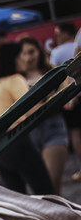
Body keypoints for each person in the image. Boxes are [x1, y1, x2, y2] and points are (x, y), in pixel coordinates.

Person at [0, 42, 55, 195]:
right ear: (14, 58)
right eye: (21, 55)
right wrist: (54, 98)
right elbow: (31, 110)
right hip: (18, 142)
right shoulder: (15, 79)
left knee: (18, 200)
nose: (25, 59)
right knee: (46, 193)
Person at [18, 36, 70, 194]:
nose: (28, 57)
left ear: (39, 52)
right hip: (28, 134)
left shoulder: (52, 71)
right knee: (39, 193)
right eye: (24, 53)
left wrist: (62, 96)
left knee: (51, 190)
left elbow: (67, 89)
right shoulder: (16, 78)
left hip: (53, 129)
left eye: (32, 52)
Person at [49, 23, 81, 182]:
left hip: (73, 95)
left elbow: (56, 77)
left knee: (76, 133)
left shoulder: (56, 52)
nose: (56, 37)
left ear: (66, 33)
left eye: (58, 33)